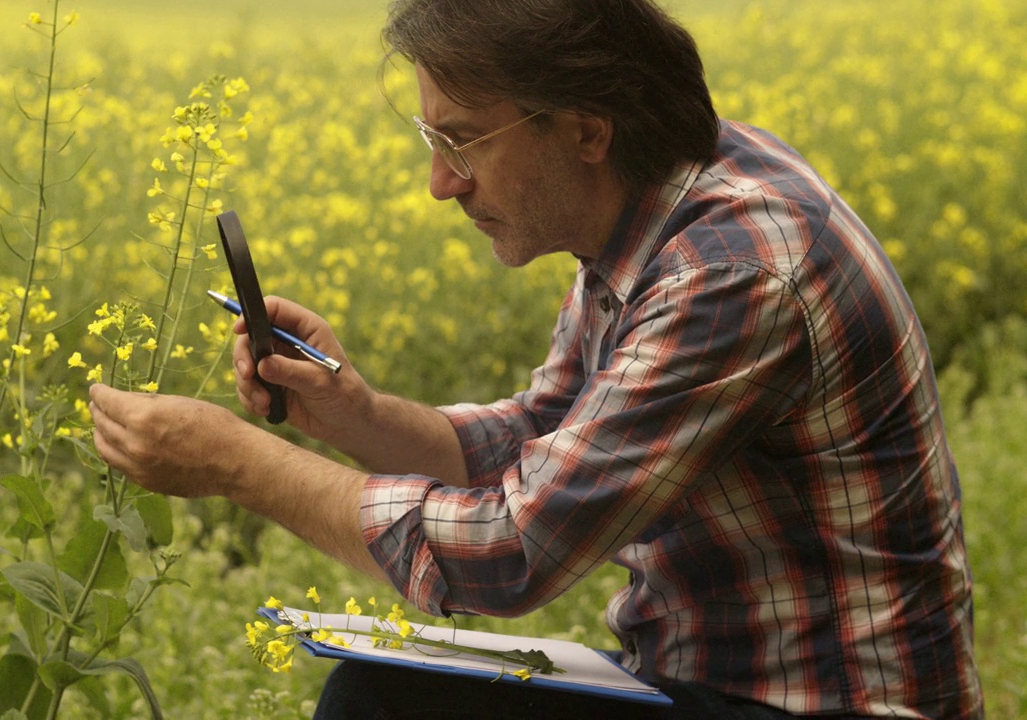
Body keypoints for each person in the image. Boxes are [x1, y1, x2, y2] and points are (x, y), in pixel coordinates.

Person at [89, 0, 984, 716]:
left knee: (386, 701)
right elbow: (538, 441)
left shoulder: (734, 272)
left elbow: (511, 552)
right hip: (703, 683)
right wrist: (350, 413)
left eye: (464, 139)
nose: (441, 184)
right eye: (432, 139)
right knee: (399, 689)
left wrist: (240, 466)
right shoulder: (654, 205)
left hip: (812, 703)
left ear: (585, 130)